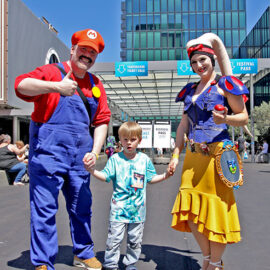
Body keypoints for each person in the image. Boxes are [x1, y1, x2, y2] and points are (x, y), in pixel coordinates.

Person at [14, 28, 111, 270]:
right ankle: (43, 261)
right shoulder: (51, 72)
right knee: (44, 209)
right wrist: (56, 87)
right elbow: (21, 85)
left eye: (93, 52)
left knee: (82, 207)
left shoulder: (95, 84)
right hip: (48, 155)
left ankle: (83, 253)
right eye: (83, 49)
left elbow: (102, 121)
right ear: (73, 49)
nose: (87, 54)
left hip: (80, 159)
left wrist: (96, 150)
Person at [168, 33, 249, 270]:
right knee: (190, 212)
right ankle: (208, 258)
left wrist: (226, 118)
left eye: (202, 59)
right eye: (194, 62)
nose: (198, 65)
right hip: (192, 157)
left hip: (217, 154)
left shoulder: (226, 85)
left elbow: (243, 117)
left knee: (216, 212)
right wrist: (175, 154)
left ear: (212, 60)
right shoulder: (189, 89)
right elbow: (183, 125)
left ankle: (213, 264)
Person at [84, 122, 170, 270]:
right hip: (118, 210)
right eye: (125, 139)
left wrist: (165, 176)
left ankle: (130, 264)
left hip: (138, 211)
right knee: (114, 240)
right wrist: (92, 171)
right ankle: (111, 265)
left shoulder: (144, 160)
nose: (128, 143)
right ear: (120, 140)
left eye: (133, 139)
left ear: (139, 140)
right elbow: (105, 176)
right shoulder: (115, 160)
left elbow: (151, 178)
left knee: (135, 241)